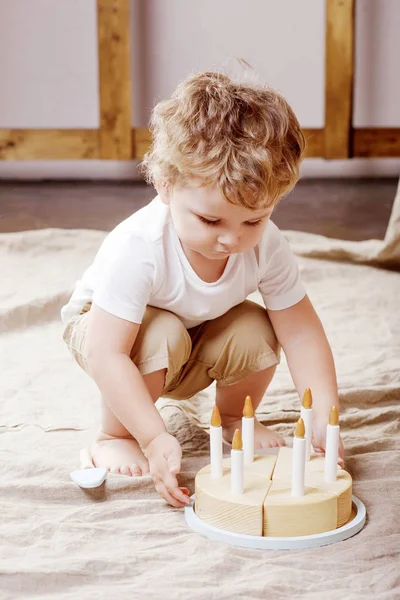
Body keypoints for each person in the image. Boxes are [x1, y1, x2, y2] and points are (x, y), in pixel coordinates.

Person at [62, 71, 344, 508]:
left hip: (194, 334)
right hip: (107, 334)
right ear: (166, 185)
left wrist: (324, 414)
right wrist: (155, 438)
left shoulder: (267, 246)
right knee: (161, 333)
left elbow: (302, 332)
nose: (232, 239)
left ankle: (233, 417)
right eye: (210, 221)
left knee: (257, 324)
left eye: (253, 220)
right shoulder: (139, 247)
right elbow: (106, 352)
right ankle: (113, 433)